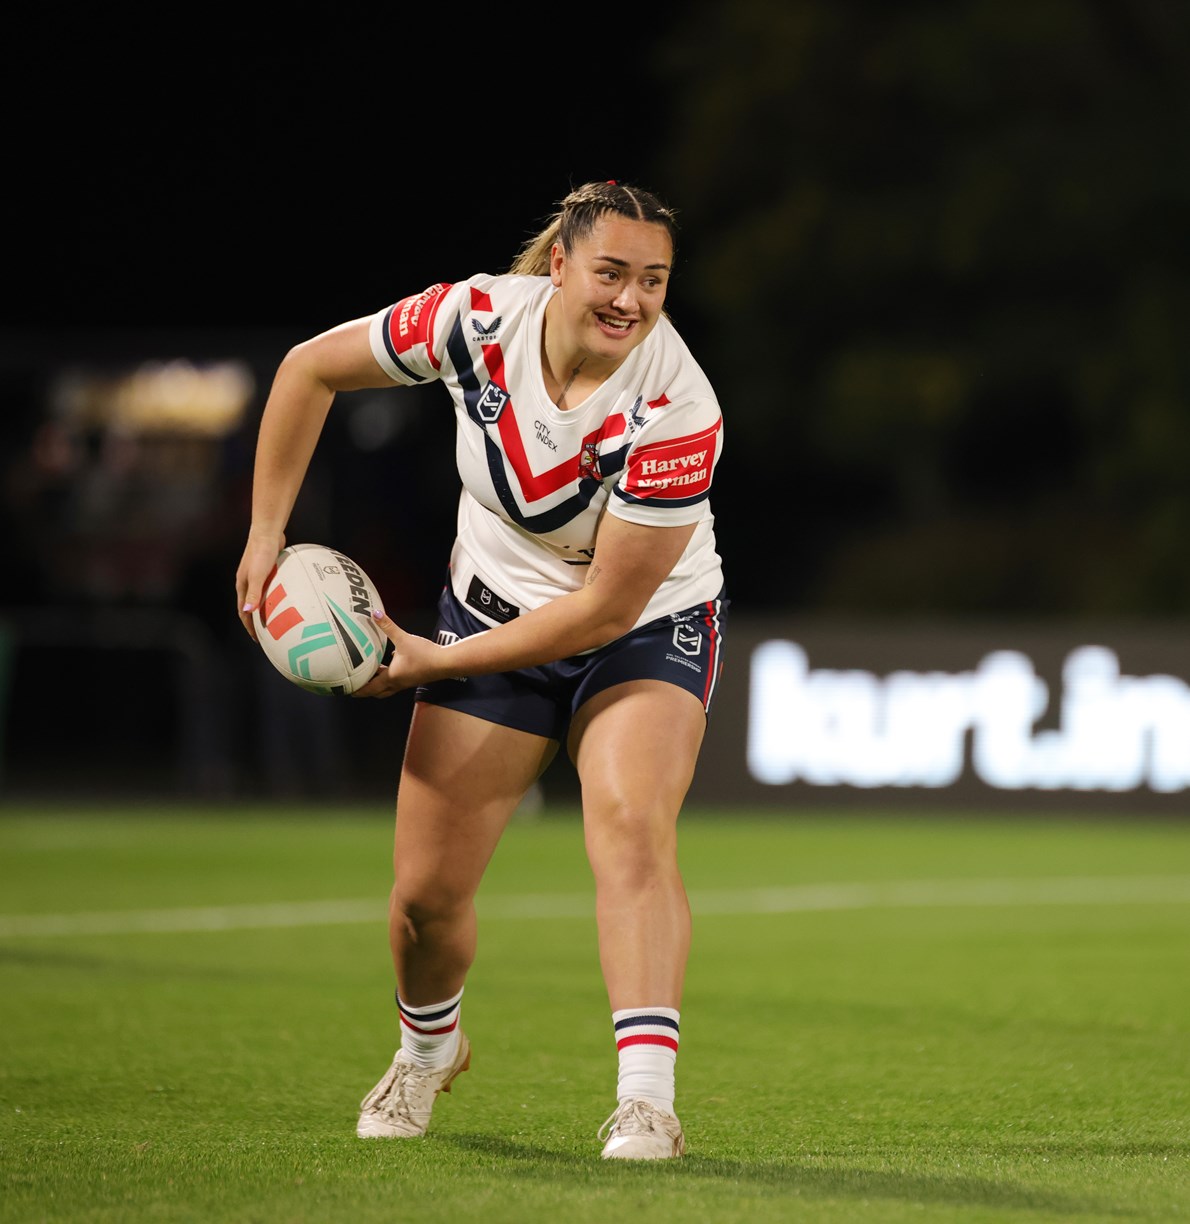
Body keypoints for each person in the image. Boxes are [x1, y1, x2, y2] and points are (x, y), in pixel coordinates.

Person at [235, 181, 727, 1160]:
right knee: (424, 896)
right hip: (491, 610)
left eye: (654, 280)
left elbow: (605, 609)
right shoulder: (472, 320)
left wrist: (436, 659)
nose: (630, 299)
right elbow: (307, 370)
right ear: (560, 265)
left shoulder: (678, 406)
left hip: (642, 628)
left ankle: (647, 1103)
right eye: (611, 273)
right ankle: (427, 1052)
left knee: (631, 826)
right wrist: (264, 531)